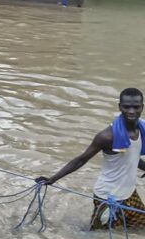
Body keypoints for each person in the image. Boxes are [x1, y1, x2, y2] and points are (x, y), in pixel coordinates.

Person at [37, 88, 145, 229]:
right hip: (107, 197)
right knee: (97, 236)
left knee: (141, 226)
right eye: (126, 107)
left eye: (136, 107)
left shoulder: (142, 129)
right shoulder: (107, 136)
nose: (131, 111)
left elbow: (132, 156)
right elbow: (81, 160)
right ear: (120, 107)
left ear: (142, 107)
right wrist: (53, 179)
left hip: (129, 193)